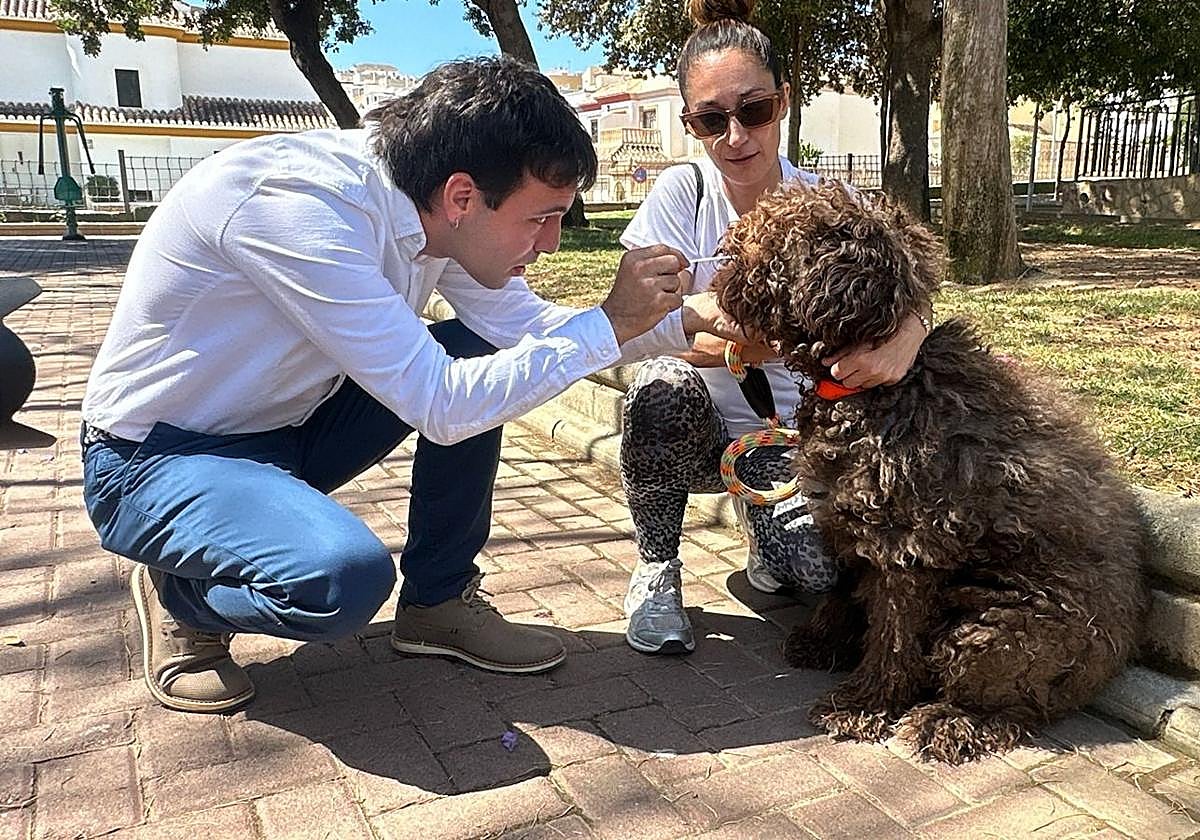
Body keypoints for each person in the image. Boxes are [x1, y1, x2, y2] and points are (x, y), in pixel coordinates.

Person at [79, 55, 744, 713]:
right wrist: (613, 321)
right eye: (541, 218)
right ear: (463, 197)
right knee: (341, 580)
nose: (549, 243)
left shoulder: (429, 207)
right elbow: (441, 404)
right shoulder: (298, 207)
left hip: (287, 433)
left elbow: (527, 328)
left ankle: (438, 601)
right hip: (155, 458)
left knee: (476, 346)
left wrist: (681, 322)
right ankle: (181, 594)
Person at [618, 0, 933, 655]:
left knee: (818, 571)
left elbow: (905, 289)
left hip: (790, 442)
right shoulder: (681, 197)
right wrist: (755, 340)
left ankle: (765, 533)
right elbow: (638, 328)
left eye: (754, 110)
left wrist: (911, 332)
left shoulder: (829, 205)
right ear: (691, 124)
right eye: (711, 120)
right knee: (658, 383)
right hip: (699, 432)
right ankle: (656, 570)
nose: (735, 137)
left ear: (784, 102)